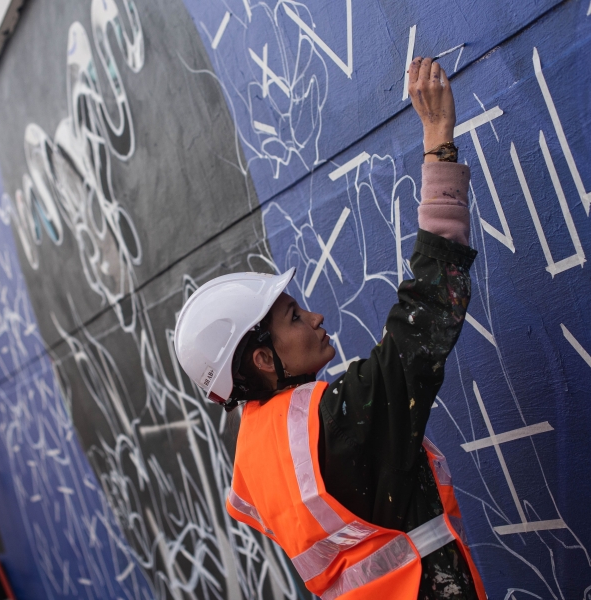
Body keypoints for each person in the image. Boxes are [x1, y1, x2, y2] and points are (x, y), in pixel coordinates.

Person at [173, 57, 486, 599]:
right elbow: (425, 317)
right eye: (293, 316)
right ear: (263, 359)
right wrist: (438, 138)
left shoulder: (257, 462)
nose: (315, 317)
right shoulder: (335, 422)